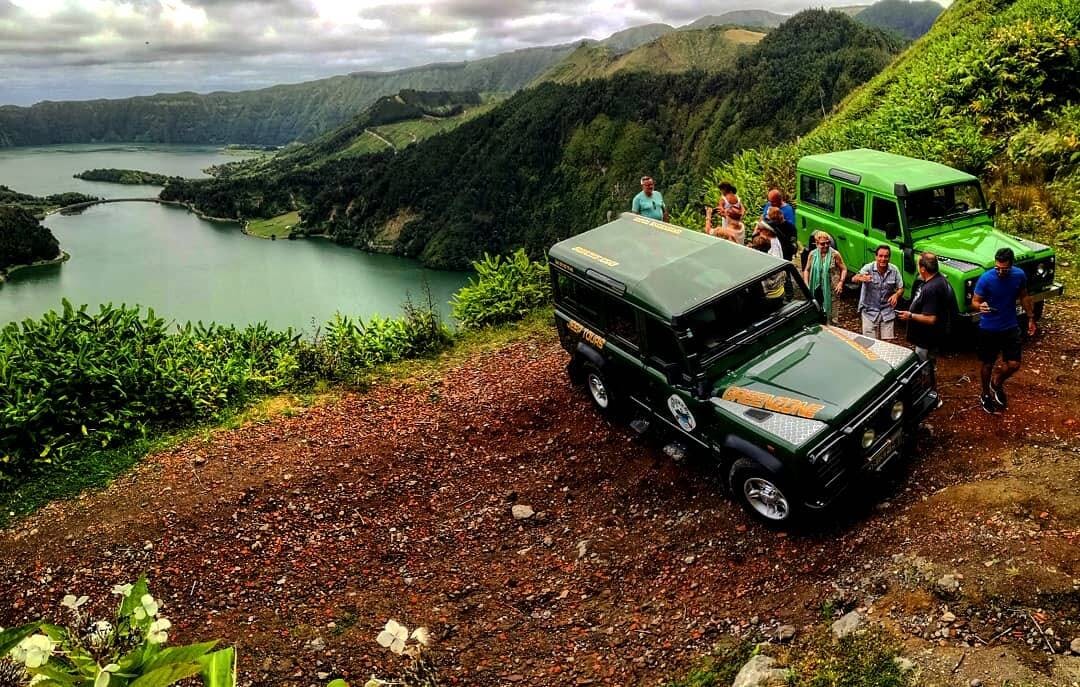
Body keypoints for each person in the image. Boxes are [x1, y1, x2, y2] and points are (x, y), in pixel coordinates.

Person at [971, 247, 1036, 414]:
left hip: (1010, 325)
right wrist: (981, 306)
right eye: (997, 268)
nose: (1000, 272)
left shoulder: (1019, 275)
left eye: (1004, 269)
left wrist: (1030, 318)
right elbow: (975, 301)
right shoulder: (986, 278)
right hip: (988, 328)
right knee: (987, 364)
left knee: (1014, 364)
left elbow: (1024, 296)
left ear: (1011, 265)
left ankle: (997, 382)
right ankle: (985, 394)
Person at [898, 252, 951, 395]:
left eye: (918, 265)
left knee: (924, 366)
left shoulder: (931, 288)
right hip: (934, 335)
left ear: (923, 269)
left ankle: (928, 394)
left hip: (926, 338)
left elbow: (930, 318)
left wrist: (910, 315)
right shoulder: (940, 280)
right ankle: (930, 391)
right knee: (930, 364)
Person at [852, 244, 904, 340]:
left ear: (889, 257)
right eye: (880, 256)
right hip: (869, 312)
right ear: (876, 257)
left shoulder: (894, 270)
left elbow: (901, 288)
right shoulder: (868, 268)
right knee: (870, 344)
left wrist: (896, 295)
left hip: (887, 311)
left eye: (886, 256)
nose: (883, 259)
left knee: (888, 344)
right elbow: (854, 278)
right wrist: (861, 278)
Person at [803, 231, 846, 324]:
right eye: (823, 244)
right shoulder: (812, 254)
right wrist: (806, 284)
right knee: (817, 311)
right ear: (817, 244)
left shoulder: (835, 254)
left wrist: (841, 282)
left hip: (832, 289)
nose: (826, 245)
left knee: (832, 316)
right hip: (817, 289)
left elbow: (844, 269)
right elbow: (806, 270)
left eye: (828, 242)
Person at [752, 234, 786, 313]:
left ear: (755, 248)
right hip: (781, 293)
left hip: (768, 298)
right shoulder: (775, 259)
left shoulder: (756, 264)